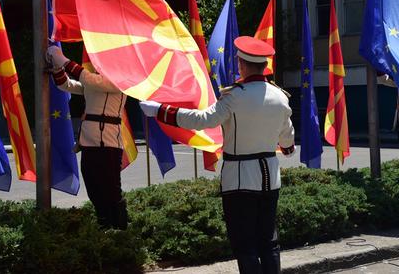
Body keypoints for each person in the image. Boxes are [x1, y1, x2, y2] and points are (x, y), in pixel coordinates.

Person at [140, 36, 295, 274]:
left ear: (242, 64)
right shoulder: (280, 96)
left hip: (240, 180)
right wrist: (286, 147)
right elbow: (287, 139)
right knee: (269, 241)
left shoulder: (234, 96)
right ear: (264, 65)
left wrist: (161, 110)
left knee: (245, 244)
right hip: (270, 179)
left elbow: (203, 120)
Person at [46, 45, 128, 230]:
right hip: (89, 144)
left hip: (108, 145)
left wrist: (63, 60)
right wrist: (58, 68)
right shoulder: (96, 82)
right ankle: (104, 227)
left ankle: (120, 231)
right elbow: (65, 85)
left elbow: (88, 80)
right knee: (94, 189)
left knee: (111, 191)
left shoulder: (121, 80)